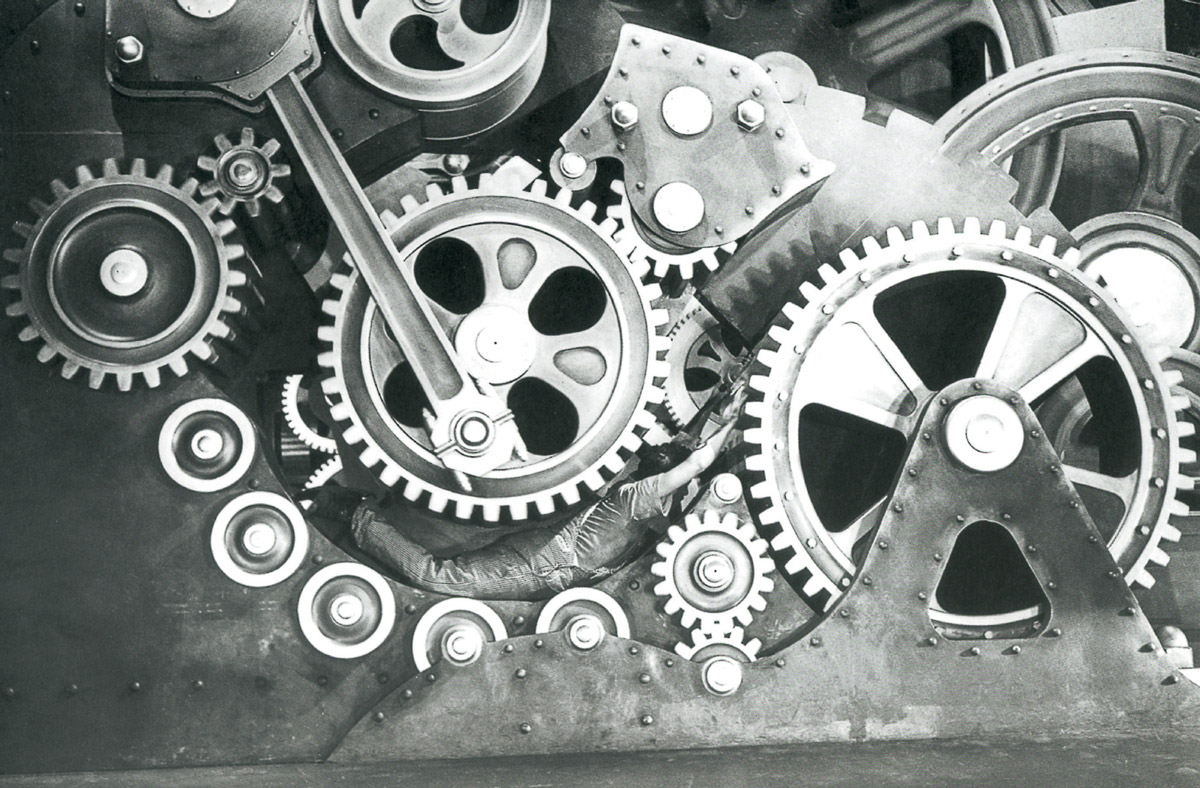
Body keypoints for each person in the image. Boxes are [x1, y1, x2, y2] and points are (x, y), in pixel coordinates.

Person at [303, 389, 745, 601]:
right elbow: (697, 462)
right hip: (545, 564)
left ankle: (362, 515)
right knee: (441, 580)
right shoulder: (638, 496)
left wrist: (721, 413)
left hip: (560, 571)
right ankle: (359, 516)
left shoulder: (651, 488)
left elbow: (690, 454)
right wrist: (736, 423)